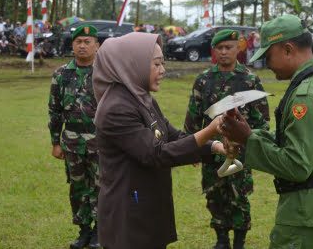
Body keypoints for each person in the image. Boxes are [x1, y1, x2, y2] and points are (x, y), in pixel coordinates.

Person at [218, 14, 313, 248]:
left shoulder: (307, 94)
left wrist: (248, 139)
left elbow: (297, 165)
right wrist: (250, 135)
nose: (267, 64)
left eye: (268, 56)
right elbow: (308, 144)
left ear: (287, 49)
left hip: (310, 217)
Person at [92, 32, 225, 249]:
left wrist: (215, 146)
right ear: (132, 64)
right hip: (129, 215)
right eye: (156, 64)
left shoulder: (141, 97)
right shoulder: (117, 107)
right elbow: (155, 154)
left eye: (163, 63)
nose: (163, 70)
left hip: (147, 205)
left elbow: (171, 135)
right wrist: (209, 131)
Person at [184, 29, 270, 249]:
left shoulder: (249, 80)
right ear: (214, 50)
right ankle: (221, 240)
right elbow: (194, 116)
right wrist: (191, 149)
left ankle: (239, 242)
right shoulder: (204, 80)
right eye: (220, 48)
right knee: (214, 196)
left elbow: (262, 120)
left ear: (238, 48)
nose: (224, 52)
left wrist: (254, 145)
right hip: (212, 150)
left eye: (228, 47)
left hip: (240, 151)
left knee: (239, 197)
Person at [48, 24, 101, 249]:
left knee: (101, 186)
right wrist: (55, 142)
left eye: (87, 42)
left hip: (101, 143)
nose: (82, 45)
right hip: (72, 143)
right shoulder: (61, 74)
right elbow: (54, 109)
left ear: (97, 46)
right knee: (78, 188)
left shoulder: (106, 73)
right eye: (78, 42)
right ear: (72, 45)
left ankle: (100, 231)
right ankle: (84, 232)